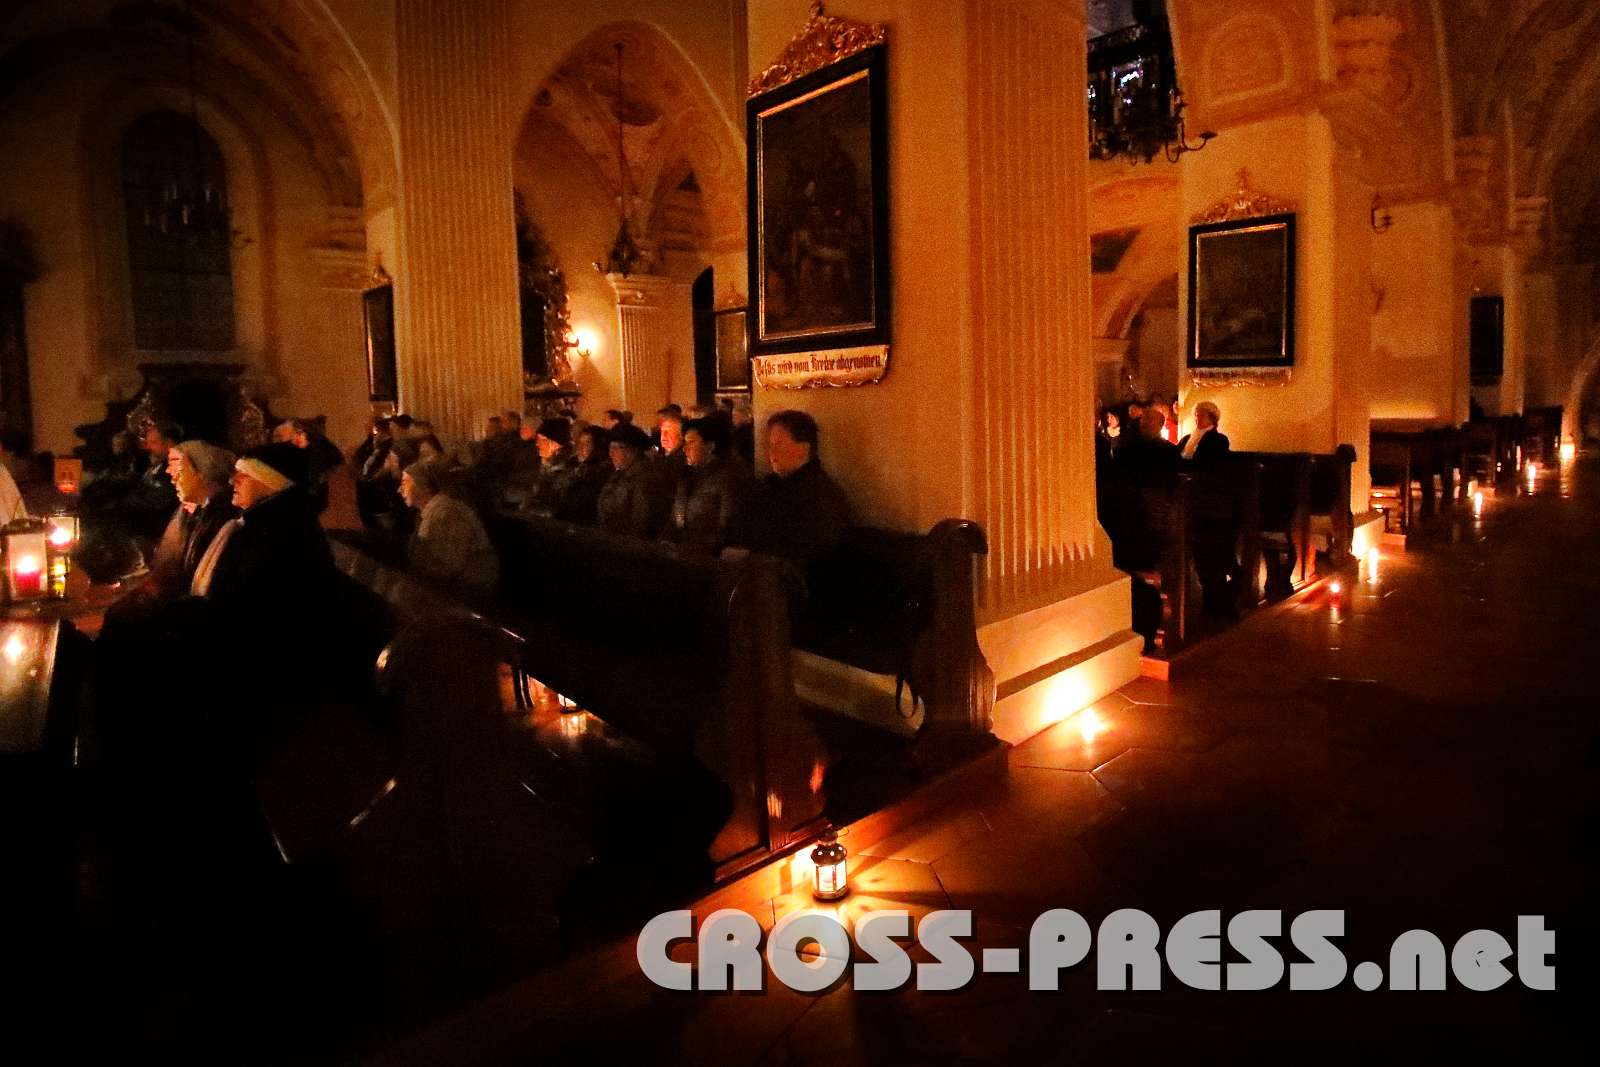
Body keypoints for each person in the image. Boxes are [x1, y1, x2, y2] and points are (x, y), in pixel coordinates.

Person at [734, 409, 851, 570]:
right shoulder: (769, 485)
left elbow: (811, 554)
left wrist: (749, 556)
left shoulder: (820, 495)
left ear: (803, 448)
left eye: (779, 444)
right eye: (770, 445)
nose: (771, 452)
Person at [143, 440, 238, 600]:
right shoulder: (189, 511)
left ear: (203, 471)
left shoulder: (221, 516)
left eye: (176, 464)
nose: (170, 474)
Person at [400, 456, 499, 602]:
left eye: (405, 483)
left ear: (423, 485)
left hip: (470, 592)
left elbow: (449, 567)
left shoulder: (447, 513)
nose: (399, 489)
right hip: (451, 588)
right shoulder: (428, 513)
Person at [666, 416, 750, 555]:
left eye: (691, 442)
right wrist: (666, 541)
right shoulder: (687, 477)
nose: (684, 449)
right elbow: (675, 518)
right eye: (684, 443)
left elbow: (726, 528)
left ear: (710, 446)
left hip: (706, 557)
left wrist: (691, 548)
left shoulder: (728, 479)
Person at [596, 422, 672, 539]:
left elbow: (641, 523)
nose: (611, 453)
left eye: (617, 448)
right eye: (610, 448)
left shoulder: (645, 479)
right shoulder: (619, 474)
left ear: (632, 450)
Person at [523, 417, 581, 518]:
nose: (537, 444)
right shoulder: (541, 464)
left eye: (542, 440)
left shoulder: (567, 470)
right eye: (537, 439)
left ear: (555, 444)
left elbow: (554, 505)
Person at [562, 424, 612, 525]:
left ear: (598, 448)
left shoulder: (603, 473)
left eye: (587, 444)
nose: (581, 448)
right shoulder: (573, 465)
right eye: (580, 443)